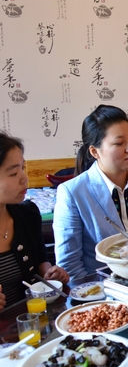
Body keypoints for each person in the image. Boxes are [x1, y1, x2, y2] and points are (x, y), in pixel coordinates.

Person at [54, 105, 128, 280]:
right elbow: (69, 265)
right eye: (119, 143)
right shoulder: (72, 193)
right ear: (94, 151)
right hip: (102, 289)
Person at [0, 132, 69, 311]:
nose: (24, 178)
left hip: (33, 319)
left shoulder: (27, 214)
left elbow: (40, 262)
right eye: (13, 173)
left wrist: (50, 274)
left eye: (23, 168)